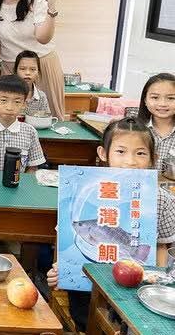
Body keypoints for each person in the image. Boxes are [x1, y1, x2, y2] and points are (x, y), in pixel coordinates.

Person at [46, 117, 175, 332]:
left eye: (140, 153)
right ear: (103, 153)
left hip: (137, 286)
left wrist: (157, 281)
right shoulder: (84, 188)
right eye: (121, 151)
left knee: (134, 321)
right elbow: (65, 234)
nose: (130, 161)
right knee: (89, 317)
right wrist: (62, 268)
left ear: (153, 158)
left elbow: (161, 247)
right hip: (86, 286)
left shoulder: (161, 199)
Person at [137, 73, 175, 172]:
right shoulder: (133, 129)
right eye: (155, 97)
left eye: (171, 98)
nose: (162, 104)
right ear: (145, 100)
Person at [14, 50, 51, 116]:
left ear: (38, 72)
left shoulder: (41, 96)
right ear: (15, 71)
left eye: (32, 69)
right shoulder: (8, 93)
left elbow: (46, 118)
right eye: (22, 69)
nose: (27, 73)